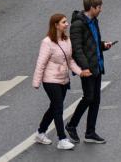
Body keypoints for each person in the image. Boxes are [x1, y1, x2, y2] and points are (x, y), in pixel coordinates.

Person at [33, 14, 88, 151]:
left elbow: (70, 61)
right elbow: (41, 63)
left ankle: (40, 133)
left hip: (63, 79)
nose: (67, 24)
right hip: (50, 80)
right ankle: (62, 139)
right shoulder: (47, 42)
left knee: (54, 107)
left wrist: (80, 72)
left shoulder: (66, 40)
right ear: (56, 25)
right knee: (58, 108)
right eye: (64, 22)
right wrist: (36, 81)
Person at [66, 0, 111, 144]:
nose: (101, 10)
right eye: (99, 7)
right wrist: (85, 67)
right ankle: (72, 125)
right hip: (88, 68)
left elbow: (93, 43)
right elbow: (77, 49)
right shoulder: (78, 25)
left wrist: (103, 45)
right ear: (91, 8)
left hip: (96, 65)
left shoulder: (93, 21)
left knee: (95, 99)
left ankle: (90, 132)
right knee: (89, 97)